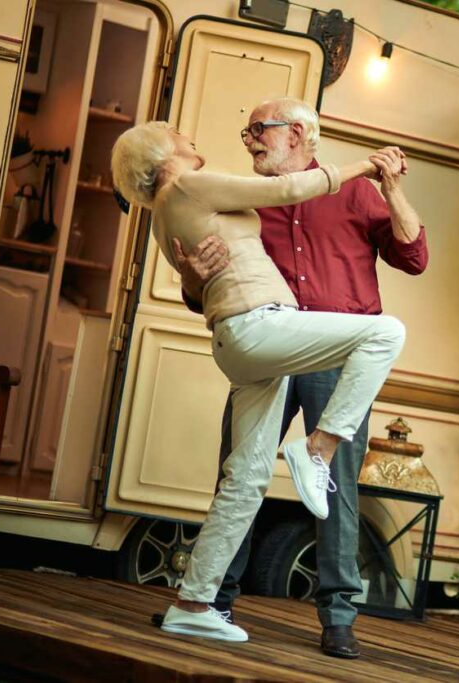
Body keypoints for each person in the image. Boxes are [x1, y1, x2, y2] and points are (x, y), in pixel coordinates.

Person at [111, 120, 408, 644]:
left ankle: (194, 602)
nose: (188, 134)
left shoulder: (165, 211)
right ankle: (318, 448)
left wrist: (194, 277)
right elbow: (288, 190)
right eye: (176, 132)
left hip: (246, 341)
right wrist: (369, 165)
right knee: (385, 333)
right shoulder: (186, 185)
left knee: (245, 480)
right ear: (160, 153)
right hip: (260, 327)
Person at [173, 97, 428, 658]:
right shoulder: (243, 202)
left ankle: (339, 617)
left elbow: (413, 256)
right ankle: (212, 598)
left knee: (335, 486)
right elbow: (206, 295)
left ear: (296, 133)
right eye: (247, 132)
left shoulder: (356, 191)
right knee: (238, 470)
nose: (248, 141)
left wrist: (392, 189)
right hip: (272, 349)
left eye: (256, 130)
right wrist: (193, 279)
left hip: (338, 357)